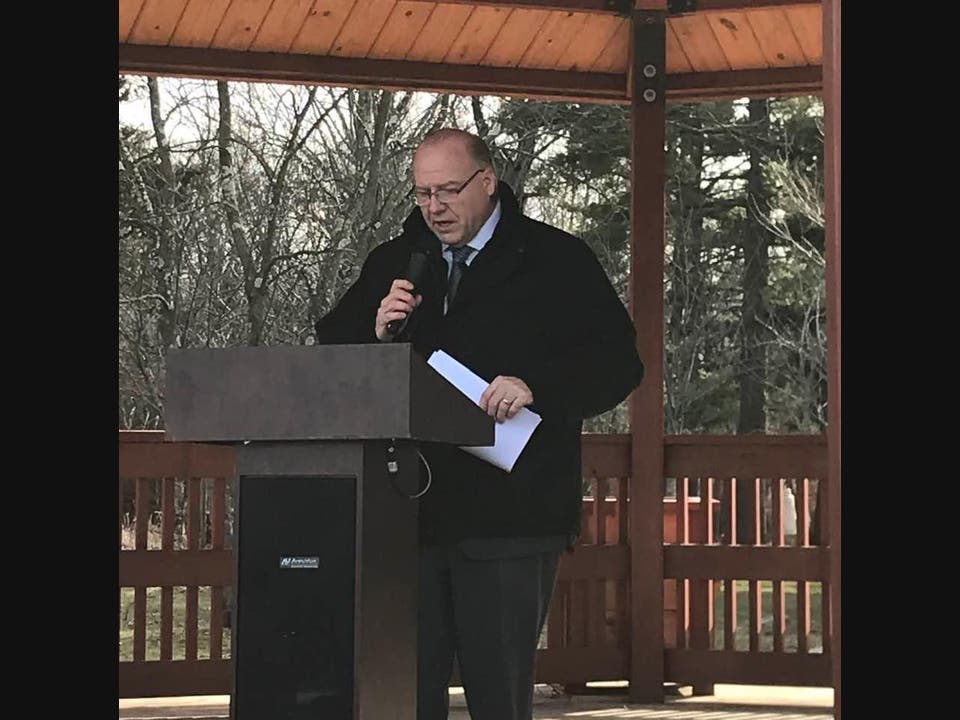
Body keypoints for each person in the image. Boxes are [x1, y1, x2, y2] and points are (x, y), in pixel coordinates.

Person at [314, 128, 643, 720]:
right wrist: (375, 333)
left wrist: (536, 386)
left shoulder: (554, 259)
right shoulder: (396, 263)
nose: (434, 207)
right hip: (407, 515)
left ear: (487, 182)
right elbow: (332, 361)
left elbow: (619, 363)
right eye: (422, 194)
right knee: (403, 696)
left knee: (498, 696)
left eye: (447, 190)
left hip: (511, 517)